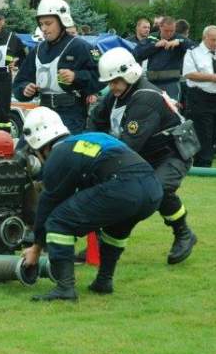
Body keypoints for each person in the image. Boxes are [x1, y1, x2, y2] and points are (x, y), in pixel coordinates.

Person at [21, 107, 163, 300]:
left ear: (40, 145)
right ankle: (104, 281)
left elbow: (48, 203)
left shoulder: (58, 154)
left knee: (58, 222)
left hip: (123, 187)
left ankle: (65, 288)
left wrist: (36, 248)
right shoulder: (89, 138)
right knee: (116, 228)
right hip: (152, 189)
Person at [90, 47, 197, 264]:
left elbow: (129, 145)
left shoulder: (145, 99)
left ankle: (183, 232)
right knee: (117, 192)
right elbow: (96, 120)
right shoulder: (117, 95)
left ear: (129, 74)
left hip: (172, 153)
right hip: (145, 153)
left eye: (116, 81)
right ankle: (103, 245)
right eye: (109, 82)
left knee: (157, 189)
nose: (112, 86)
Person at [12, 0, 102, 135]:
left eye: (48, 23)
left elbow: (101, 76)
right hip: (43, 113)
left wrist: (76, 76)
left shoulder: (80, 46)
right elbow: (19, 82)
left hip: (71, 116)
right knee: (24, 147)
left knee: (63, 148)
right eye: (41, 24)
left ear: (62, 21)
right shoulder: (37, 50)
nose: (44, 28)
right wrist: (25, 89)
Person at [182, 25, 216, 167]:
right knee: (204, 131)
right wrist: (211, 77)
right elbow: (189, 74)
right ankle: (203, 163)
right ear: (205, 38)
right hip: (200, 96)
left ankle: (201, 158)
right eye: (213, 40)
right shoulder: (193, 52)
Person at [133, 16, 192, 102]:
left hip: (172, 83)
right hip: (152, 82)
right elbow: (137, 54)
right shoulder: (152, 37)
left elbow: (194, 48)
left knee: (171, 108)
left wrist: (180, 42)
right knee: (151, 106)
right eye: (166, 31)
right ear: (160, 27)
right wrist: (155, 46)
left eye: (172, 31)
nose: (169, 33)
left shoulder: (179, 38)